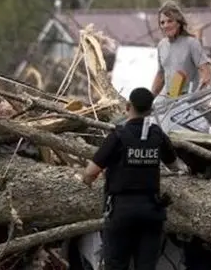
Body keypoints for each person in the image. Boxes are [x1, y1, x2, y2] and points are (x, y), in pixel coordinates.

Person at [79, 87, 187, 270]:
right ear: (151, 111)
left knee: (116, 265)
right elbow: (176, 167)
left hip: (121, 212)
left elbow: (90, 172)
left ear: (128, 106)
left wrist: (87, 181)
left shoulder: (118, 136)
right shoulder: (157, 135)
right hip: (152, 211)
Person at [151, 1, 211, 98]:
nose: (166, 25)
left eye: (170, 21)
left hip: (187, 100)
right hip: (169, 99)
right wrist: (149, 100)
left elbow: (206, 73)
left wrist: (197, 95)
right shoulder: (161, 45)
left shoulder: (192, 43)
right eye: (162, 22)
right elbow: (161, 75)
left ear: (178, 23)